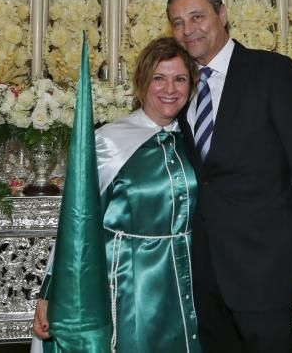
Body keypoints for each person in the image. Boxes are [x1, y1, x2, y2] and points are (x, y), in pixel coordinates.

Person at [166, 0, 292, 352]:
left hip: (264, 271)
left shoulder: (272, 72)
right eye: (177, 22)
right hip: (201, 274)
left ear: (222, 14)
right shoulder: (178, 85)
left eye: (197, 16)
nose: (188, 29)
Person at [33, 37, 201, 351]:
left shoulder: (194, 139)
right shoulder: (109, 142)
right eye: (159, 79)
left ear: (191, 86)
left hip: (190, 276)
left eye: (180, 79)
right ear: (141, 83)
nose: (170, 89)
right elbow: (76, 220)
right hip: (129, 282)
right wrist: (49, 291)